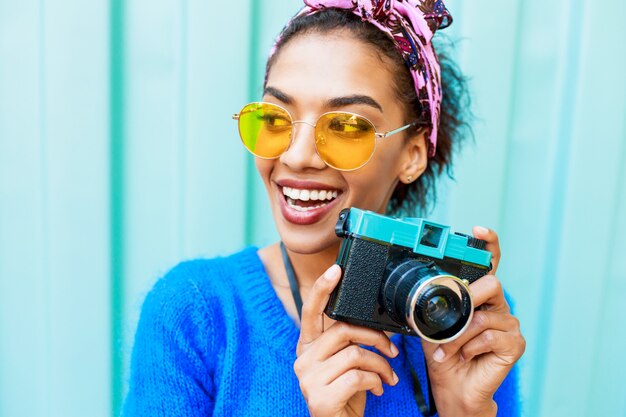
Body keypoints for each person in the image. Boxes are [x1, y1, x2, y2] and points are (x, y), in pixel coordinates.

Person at [123, 1, 526, 416]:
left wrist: (464, 411)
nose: (297, 157)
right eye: (276, 119)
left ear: (412, 154)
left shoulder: (461, 320)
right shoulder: (196, 312)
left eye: (347, 127)